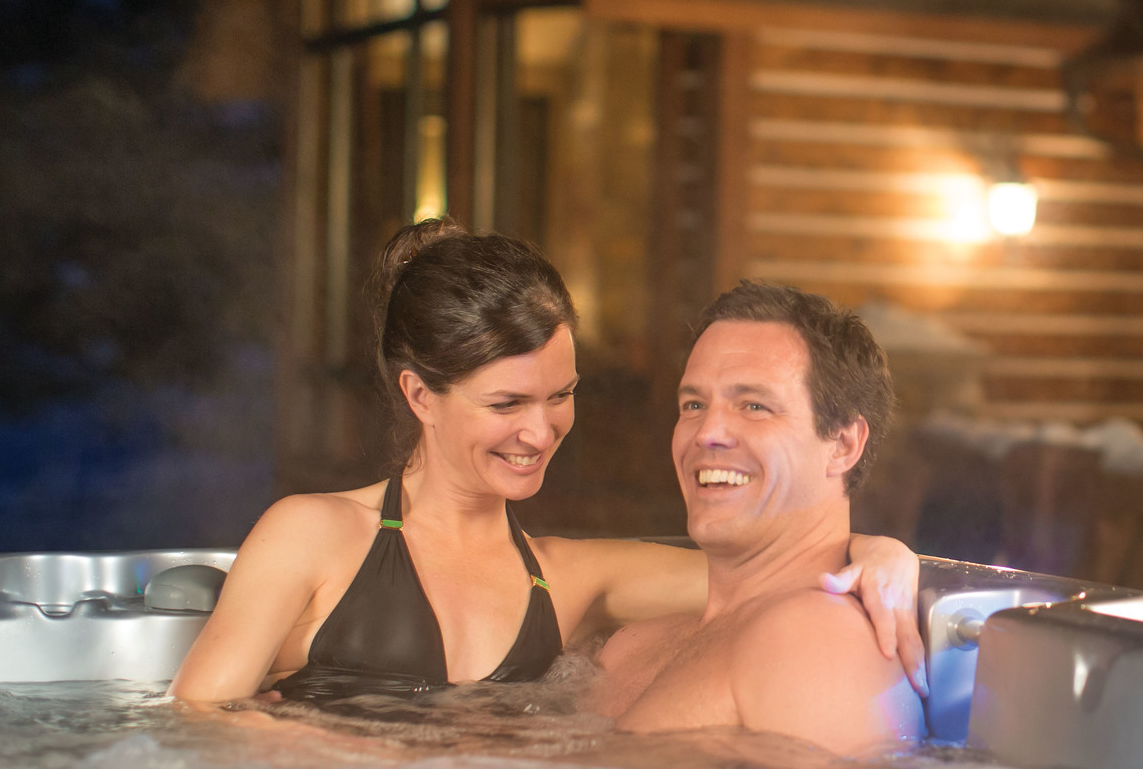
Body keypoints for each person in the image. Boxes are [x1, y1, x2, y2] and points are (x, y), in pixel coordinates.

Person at [171, 221, 924, 705]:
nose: (541, 431)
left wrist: (879, 551)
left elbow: (771, 569)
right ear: (419, 396)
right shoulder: (315, 536)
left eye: (560, 394)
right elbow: (193, 730)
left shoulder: (568, 582)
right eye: (507, 405)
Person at [596, 281, 925, 757]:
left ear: (843, 445)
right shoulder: (628, 648)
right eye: (694, 404)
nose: (707, 431)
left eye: (754, 405)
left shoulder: (814, 644)